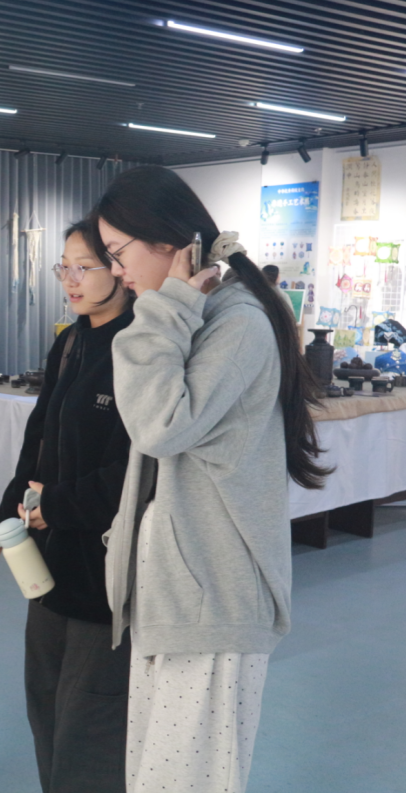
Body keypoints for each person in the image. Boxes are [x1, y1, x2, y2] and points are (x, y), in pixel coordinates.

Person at [94, 166, 329, 793]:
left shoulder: (236, 322)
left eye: (117, 253)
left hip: (214, 601)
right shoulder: (204, 313)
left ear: (167, 242)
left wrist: (167, 305)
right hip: (180, 595)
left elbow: (158, 425)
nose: (115, 271)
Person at [0, 220, 134, 793]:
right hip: (48, 567)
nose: (70, 280)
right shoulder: (70, 341)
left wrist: (59, 506)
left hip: (104, 575)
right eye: (63, 268)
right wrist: (11, 513)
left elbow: (135, 473)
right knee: (46, 707)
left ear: (119, 269)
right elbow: (40, 436)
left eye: (84, 267)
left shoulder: (140, 347)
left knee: (90, 724)